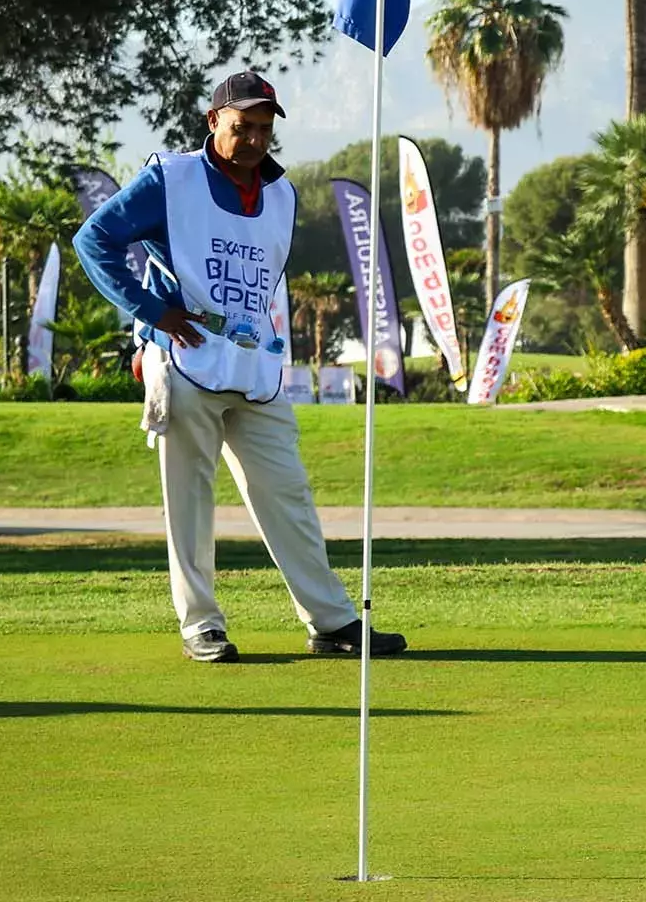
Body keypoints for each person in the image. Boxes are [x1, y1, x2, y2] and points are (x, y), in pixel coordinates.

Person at [73, 69, 406, 664]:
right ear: (214, 122)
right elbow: (93, 240)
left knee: (288, 493)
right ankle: (202, 625)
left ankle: (330, 622)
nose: (253, 138)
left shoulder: (282, 194)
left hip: (257, 367)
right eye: (241, 125)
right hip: (185, 361)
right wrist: (150, 311)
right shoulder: (169, 179)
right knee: (190, 500)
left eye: (263, 128)